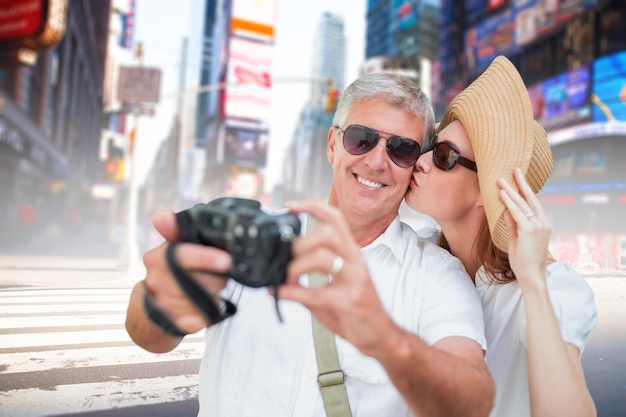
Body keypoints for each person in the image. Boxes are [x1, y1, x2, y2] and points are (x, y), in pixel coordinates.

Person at [125, 72, 495, 417]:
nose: (377, 162)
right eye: (361, 139)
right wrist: (163, 305)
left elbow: (473, 398)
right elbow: (146, 335)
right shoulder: (244, 234)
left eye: (401, 149)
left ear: (414, 166)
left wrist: (387, 339)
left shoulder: (436, 276)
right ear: (333, 145)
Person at [405, 55, 597, 417]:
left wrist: (533, 281)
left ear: (490, 193)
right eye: (432, 145)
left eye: (444, 156)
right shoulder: (416, 253)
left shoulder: (551, 287)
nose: (422, 160)